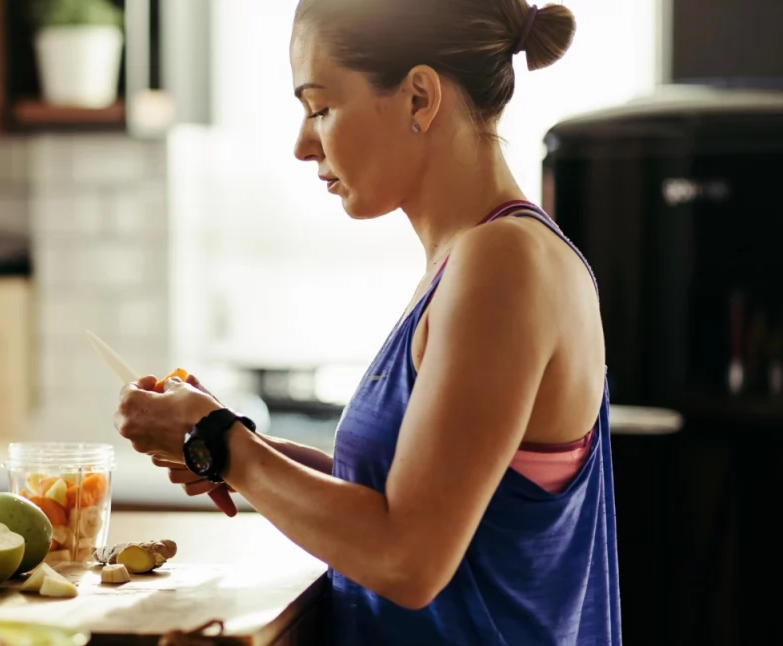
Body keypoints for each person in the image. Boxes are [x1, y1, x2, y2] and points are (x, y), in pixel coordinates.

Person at [113, 0, 619, 644]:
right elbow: (413, 501)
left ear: (418, 97)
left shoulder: (504, 263)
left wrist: (220, 443)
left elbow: (408, 558)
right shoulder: (470, 261)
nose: (302, 144)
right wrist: (236, 445)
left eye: (320, 107)